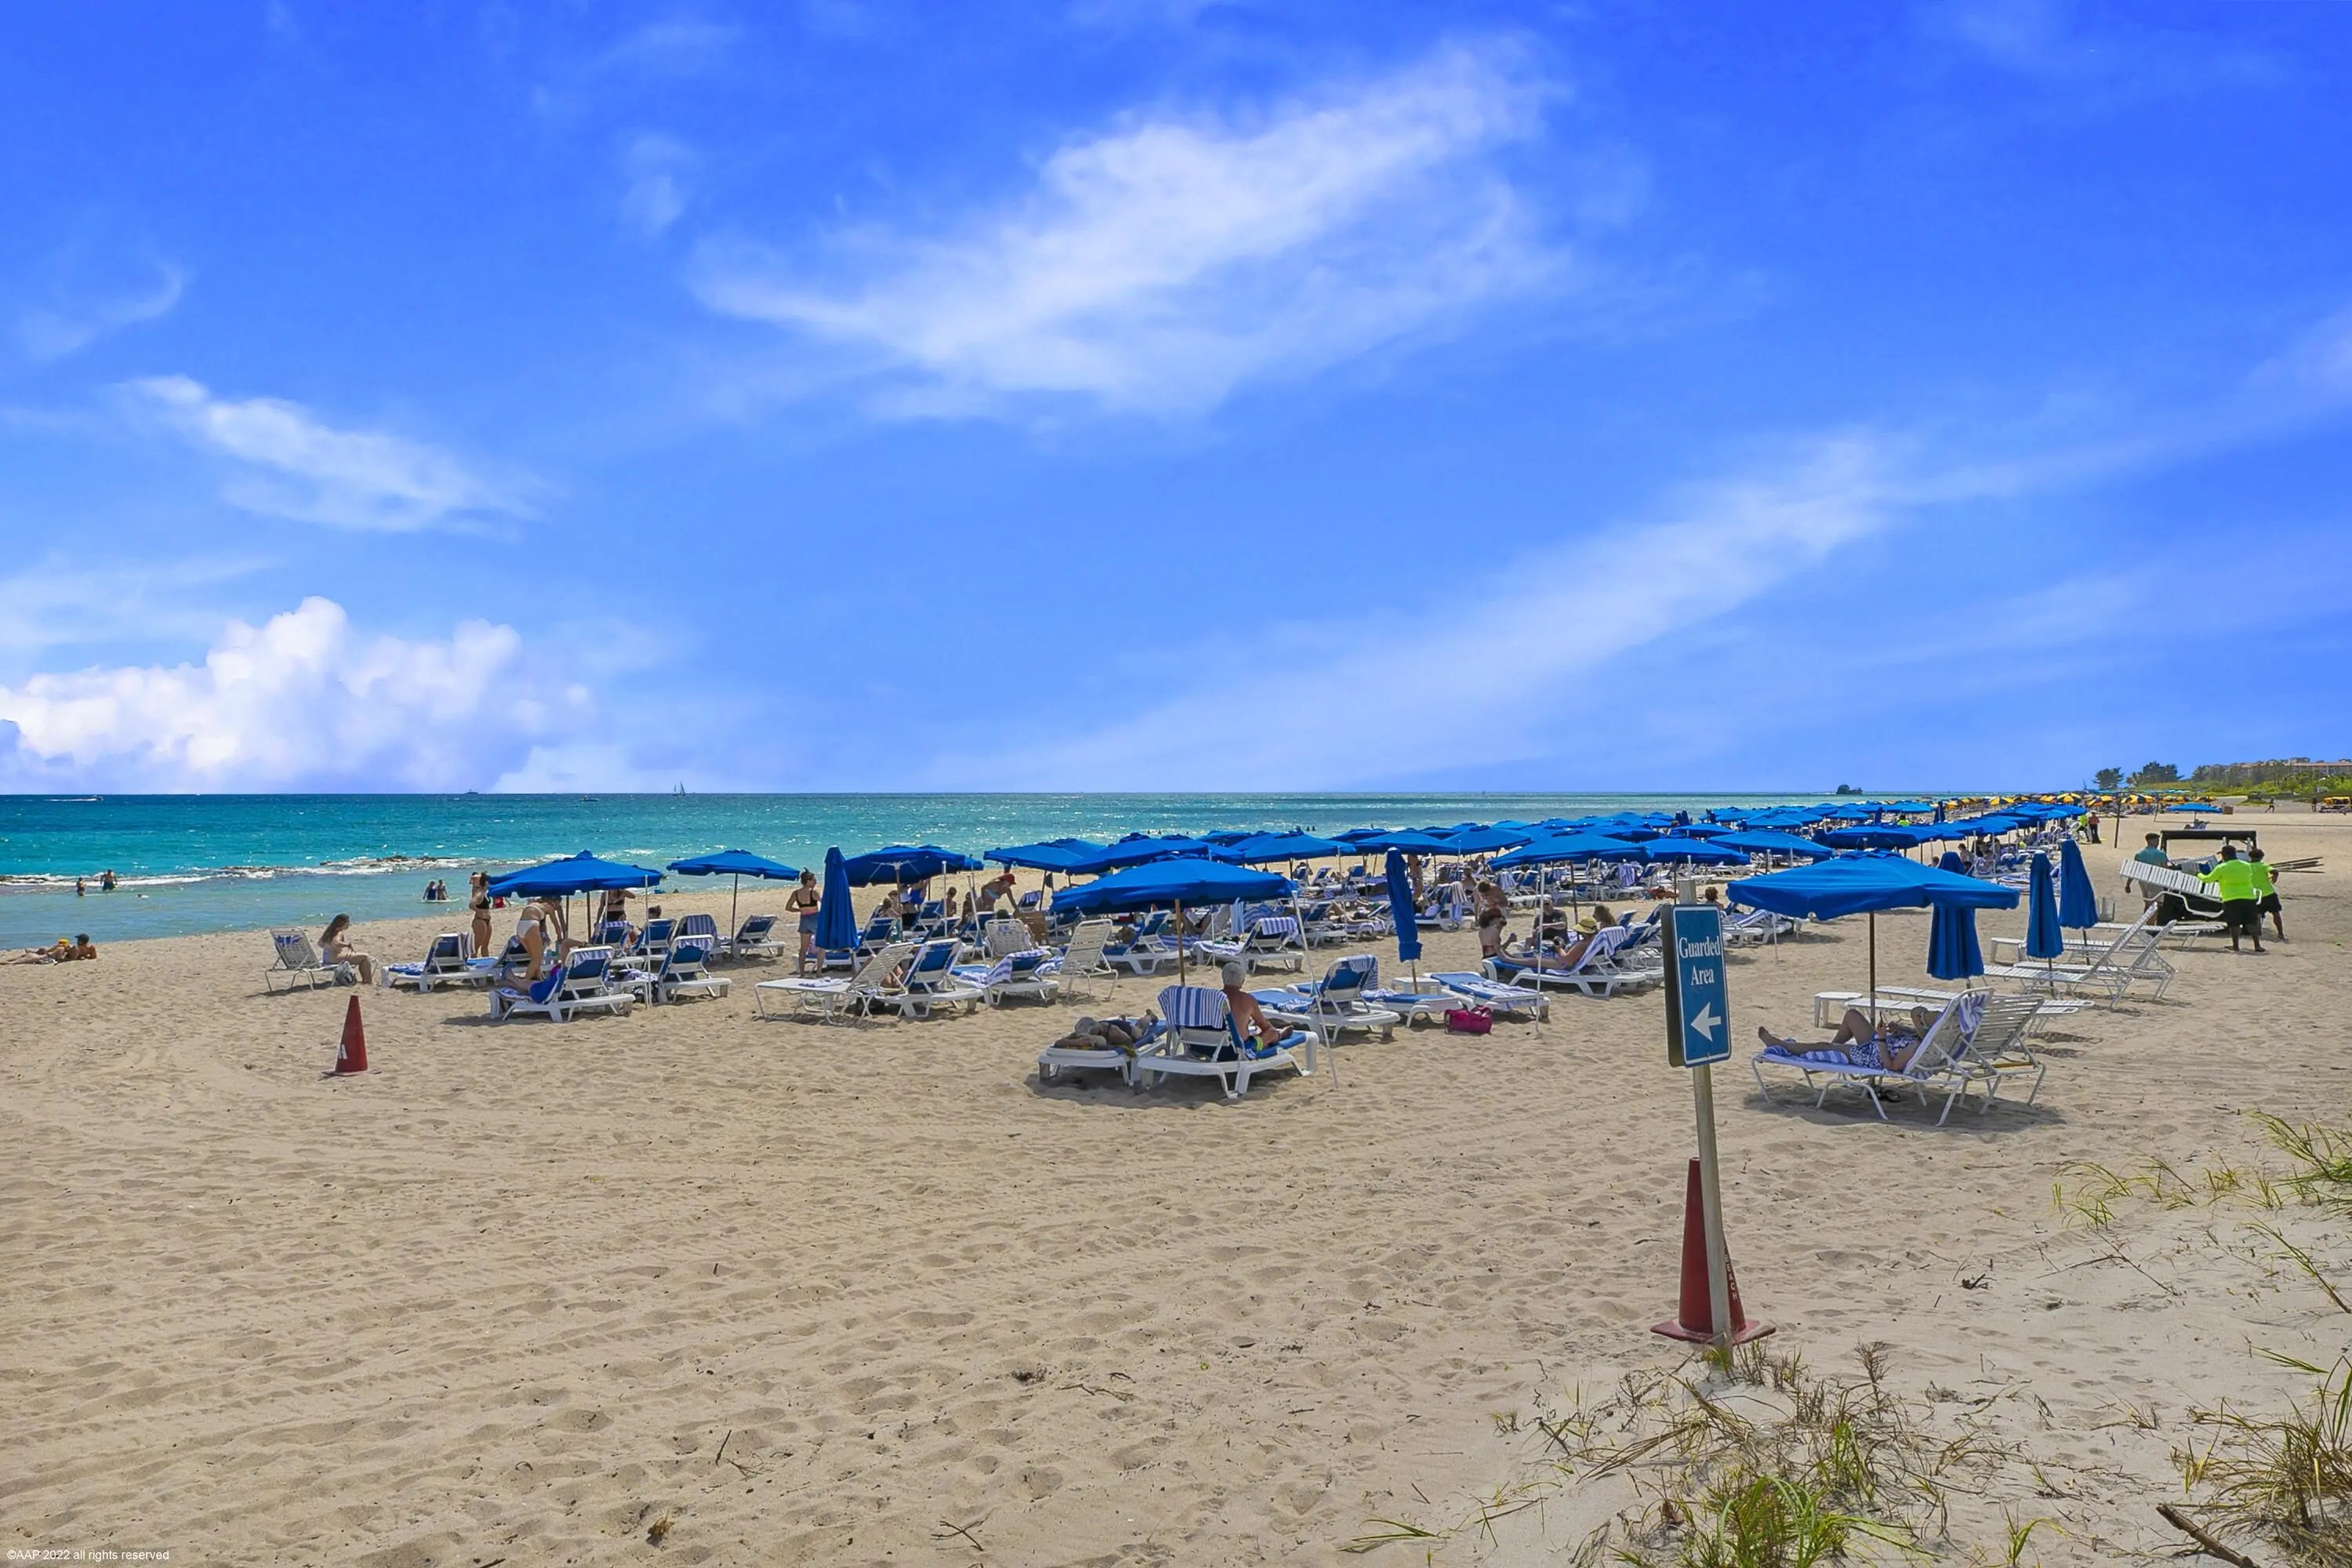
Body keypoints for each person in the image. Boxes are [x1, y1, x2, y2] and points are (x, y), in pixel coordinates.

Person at [1758, 1005, 1939, 1073]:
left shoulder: (1915, 1048)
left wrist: (1882, 1039)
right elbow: (1912, 1036)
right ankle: (1833, 1050)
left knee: (1822, 1046)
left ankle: (1781, 1045)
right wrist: (1899, 1030)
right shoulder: (1922, 1039)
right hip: (1876, 1044)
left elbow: (1890, 1067)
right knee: (1852, 1015)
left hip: (1871, 1056)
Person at [2198, 844, 2264, 953]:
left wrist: (2198, 874)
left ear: (2225, 855)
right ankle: (2257, 945)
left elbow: (2208, 879)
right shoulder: (2247, 865)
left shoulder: (2222, 867)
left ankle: (2236, 946)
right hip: (2248, 897)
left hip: (2231, 898)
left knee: (2234, 924)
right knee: (2252, 922)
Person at [1219, 961, 1289, 1052]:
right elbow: (1264, 1025)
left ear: (1223, 979)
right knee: (1271, 1033)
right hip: (1239, 1049)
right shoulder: (1247, 999)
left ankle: (1257, 1032)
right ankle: (1279, 1035)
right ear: (1242, 981)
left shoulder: (1213, 997)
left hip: (1211, 1046)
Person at [319, 914, 379, 985]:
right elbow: (336, 942)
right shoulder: (339, 932)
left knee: (360, 956)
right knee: (365, 957)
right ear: (343, 923)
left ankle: (366, 981)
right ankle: (368, 981)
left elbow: (320, 943)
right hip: (335, 959)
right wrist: (347, 944)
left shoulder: (330, 931)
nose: (349, 923)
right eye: (348, 922)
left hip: (327, 959)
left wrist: (331, 948)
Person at [2247, 848, 2285, 941]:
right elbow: (2275, 871)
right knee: (2276, 913)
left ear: (2250, 857)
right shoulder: (2263, 865)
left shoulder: (2247, 867)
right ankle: (2280, 934)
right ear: (2261, 857)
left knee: (2257, 916)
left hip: (2255, 895)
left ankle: (2257, 935)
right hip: (2269, 893)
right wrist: (2274, 878)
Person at [788, 869, 822, 966]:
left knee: (803, 948)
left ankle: (802, 972)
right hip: (815, 918)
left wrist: (801, 910)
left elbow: (788, 908)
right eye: (814, 880)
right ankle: (819, 971)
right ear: (808, 881)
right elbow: (825, 905)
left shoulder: (796, 893)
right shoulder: (814, 892)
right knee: (821, 946)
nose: (816, 882)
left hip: (804, 919)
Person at [1475, 880, 1508, 958]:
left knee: (1495, 934)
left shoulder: (1496, 889)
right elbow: (1476, 904)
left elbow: (1505, 903)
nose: (1485, 896)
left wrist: (1496, 901)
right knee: (1485, 933)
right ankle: (1488, 952)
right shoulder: (1476, 890)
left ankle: (1496, 951)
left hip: (1497, 912)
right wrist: (1476, 917)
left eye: (1487, 894)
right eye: (1482, 895)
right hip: (1486, 912)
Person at [467, 872, 494, 956]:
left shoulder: (485, 893)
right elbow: (471, 904)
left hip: (487, 921)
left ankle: (487, 962)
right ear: (486, 883)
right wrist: (478, 911)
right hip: (480, 921)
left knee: (485, 946)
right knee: (476, 946)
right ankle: (473, 961)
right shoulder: (479, 893)